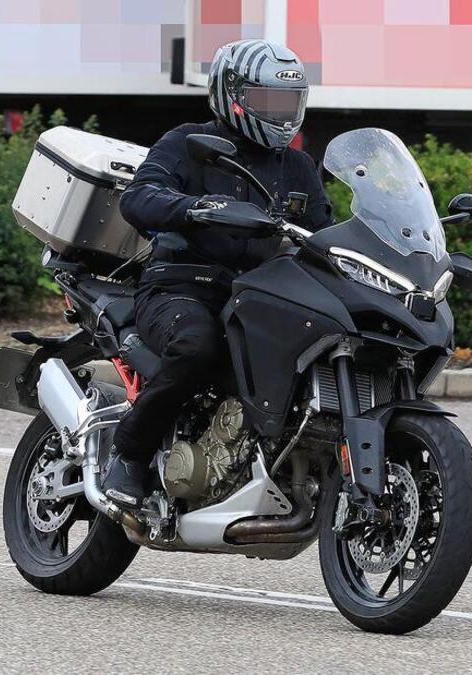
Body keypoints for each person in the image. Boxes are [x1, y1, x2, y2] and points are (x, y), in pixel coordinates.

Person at [102, 39, 333, 507]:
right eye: (269, 101)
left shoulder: (297, 166)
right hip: (182, 286)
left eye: (288, 101)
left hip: (257, 296)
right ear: (233, 95)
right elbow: (139, 197)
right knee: (197, 345)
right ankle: (128, 454)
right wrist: (195, 208)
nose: (282, 113)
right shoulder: (187, 143)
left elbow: (324, 233)